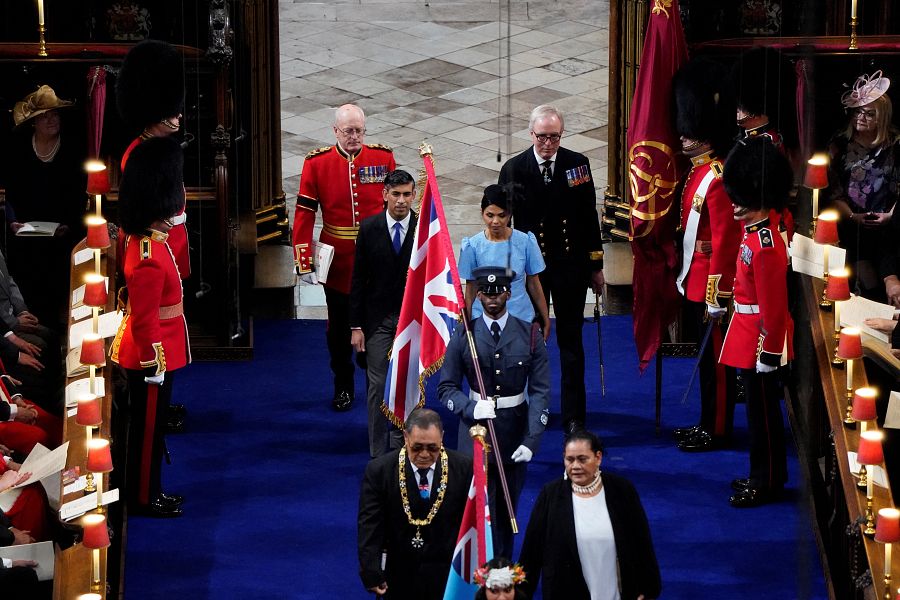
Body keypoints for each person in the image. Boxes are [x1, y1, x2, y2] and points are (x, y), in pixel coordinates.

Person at [499, 104, 604, 433]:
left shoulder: (577, 165)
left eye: (554, 137)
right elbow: (503, 222)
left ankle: (574, 416)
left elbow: (589, 217)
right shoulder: (515, 169)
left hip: (570, 266)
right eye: (542, 137)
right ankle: (526, 407)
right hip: (533, 272)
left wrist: (596, 265)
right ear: (531, 134)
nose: (548, 143)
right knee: (528, 340)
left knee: (571, 343)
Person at [438, 266, 550, 558]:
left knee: (506, 510)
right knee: (473, 508)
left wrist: (532, 439)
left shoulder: (530, 335)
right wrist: (471, 407)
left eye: (498, 291)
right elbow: (446, 388)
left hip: (513, 432)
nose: (492, 299)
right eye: (486, 293)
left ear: (509, 293)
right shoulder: (465, 333)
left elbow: (540, 392)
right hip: (474, 433)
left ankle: (501, 572)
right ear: (478, 297)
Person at [292, 104, 396, 412]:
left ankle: (375, 382)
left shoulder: (382, 158)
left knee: (377, 323)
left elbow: (397, 204)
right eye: (348, 131)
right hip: (338, 262)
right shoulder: (317, 163)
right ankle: (343, 385)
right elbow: (305, 213)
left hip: (376, 258)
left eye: (359, 131)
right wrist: (303, 258)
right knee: (338, 328)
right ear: (335, 131)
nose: (354, 137)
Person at [109, 136, 190, 518]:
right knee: (147, 434)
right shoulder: (147, 255)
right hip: (150, 357)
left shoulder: (151, 242)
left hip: (160, 349)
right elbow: (144, 317)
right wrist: (152, 362)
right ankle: (145, 496)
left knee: (152, 431)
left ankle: (149, 489)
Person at [671, 58, 742, 452]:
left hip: (710, 285)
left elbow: (726, 241)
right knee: (707, 367)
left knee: (716, 365)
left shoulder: (715, 176)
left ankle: (717, 428)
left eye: (689, 131)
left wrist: (718, 294)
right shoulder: (698, 171)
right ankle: (705, 421)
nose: (683, 138)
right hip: (694, 279)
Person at [720, 137, 794, 508]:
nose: (735, 204)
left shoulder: (765, 244)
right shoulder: (757, 231)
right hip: (748, 331)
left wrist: (769, 352)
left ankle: (765, 481)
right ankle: (765, 474)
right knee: (756, 411)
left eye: (742, 197)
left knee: (763, 417)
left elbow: (775, 307)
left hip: (761, 340)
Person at [518, 429, 661, 600]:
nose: (575, 466)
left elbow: (642, 541)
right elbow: (532, 550)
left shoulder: (622, 490)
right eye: (569, 460)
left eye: (582, 459)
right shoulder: (550, 495)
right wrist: (521, 594)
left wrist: (648, 588)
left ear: (598, 457)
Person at [357, 408, 472, 599]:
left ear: (442, 437)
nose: (425, 454)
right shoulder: (380, 470)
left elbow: (472, 524)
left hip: (446, 576)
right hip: (397, 574)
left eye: (432, 448)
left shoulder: (464, 468)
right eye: (417, 447)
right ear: (405, 437)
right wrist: (371, 570)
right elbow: (370, 525)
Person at [5, 84, 86, 329]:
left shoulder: (73, 149)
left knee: (58, 300)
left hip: (62, 238)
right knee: (29, 298)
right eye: (45, 116)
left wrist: (68, 224)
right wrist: (12, 221)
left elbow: (78, 195)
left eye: (55, 114)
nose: (52, 119)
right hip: (26, 238)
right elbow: (9, 193)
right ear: (34, 122)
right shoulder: (18, 149)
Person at [349, 169, 417, 458]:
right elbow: (358, 280)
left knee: (411, 383)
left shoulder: (424, 229)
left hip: (412, 320)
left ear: (414, 195)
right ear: (385, 194)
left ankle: (411, 445)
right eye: (396, 194)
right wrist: (356, 326)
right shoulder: (368, 228)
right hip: (377, 320)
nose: (401, 201)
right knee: (377, 384)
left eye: (407, 194)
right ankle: (379, 452)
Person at [116, 39, 189, 279]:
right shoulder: (139, 154)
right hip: (155, 247)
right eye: (171, 110)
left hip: (172, 240)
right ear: (156, 112)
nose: (179, 113)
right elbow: (147, 217)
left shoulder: (160, 148)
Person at [826, 70, 900, 300]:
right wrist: (852, 217)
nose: (861, 117)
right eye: (858, 112)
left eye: (869, 114)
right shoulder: (840, 144)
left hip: (889, 226)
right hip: (852, 226)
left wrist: (891, 215)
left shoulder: (896, 144)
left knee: (890, 279)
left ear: (882, 118)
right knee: (867, 285)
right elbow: (834, 190)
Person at [458, 184, 550, 338]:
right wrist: (466, 323)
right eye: (490, 215)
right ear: (482, 213)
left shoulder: (525, 242)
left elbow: (534, 283)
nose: (495, 221)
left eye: (502, 215)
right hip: (483, 318)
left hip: (520, 317)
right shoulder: (472, 246)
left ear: (510, 215)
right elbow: (471, 287)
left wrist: (545, 318)